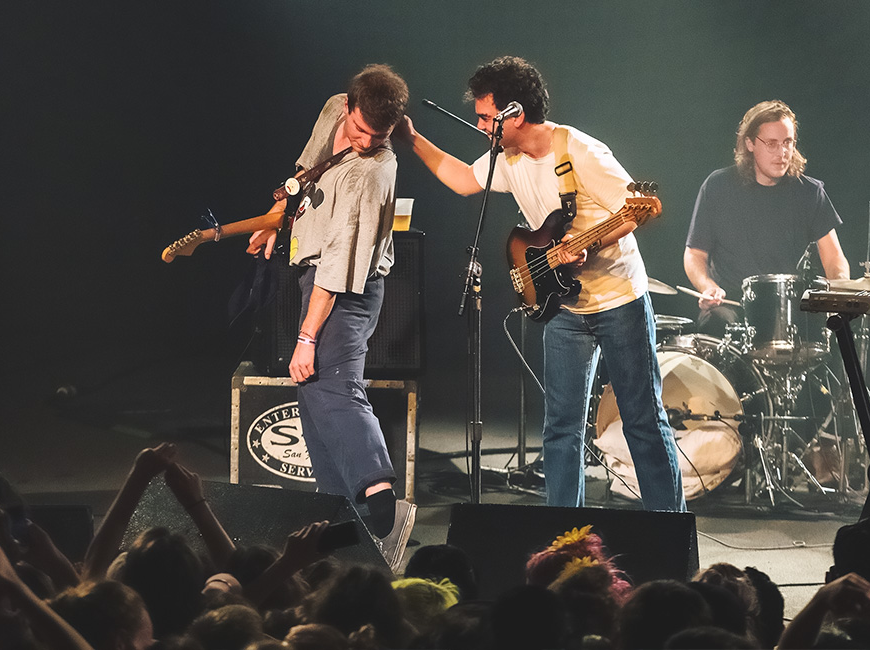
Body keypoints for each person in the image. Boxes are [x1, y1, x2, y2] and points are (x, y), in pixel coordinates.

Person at [401, 55, 685, 510]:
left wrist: (590, 243)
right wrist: (412, 140)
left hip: (619, 302)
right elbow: (460, 179)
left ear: (515, 114)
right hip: (564, 307)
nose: (479, 125)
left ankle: (671, 527)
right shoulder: (507, 158)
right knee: (560, 428)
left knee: (643, 423)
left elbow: (637, 209)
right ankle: (563, 534)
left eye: (485, 116)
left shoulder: (581, 151)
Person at [246, 64, 415, 570]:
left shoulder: (374, 171)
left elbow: (339, 270)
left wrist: (305, 336)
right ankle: (338, 514)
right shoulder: (331, 109)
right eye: (360, 130)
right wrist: (278, 223)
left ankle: (377, 488)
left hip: (346, 289)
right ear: (348, 107)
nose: (365, 142)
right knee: (314, 394)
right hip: (311, 273)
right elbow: (304, 175)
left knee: (335, 384)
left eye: (379, 136)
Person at [684, 99, 851, 336]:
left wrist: (838, 289)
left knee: (832, 335)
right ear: (750, 143)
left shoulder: (810, 192)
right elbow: (694, 254)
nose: (782, 153)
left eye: (788, 143)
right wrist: (708, 286)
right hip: (732, 307)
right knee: (715, 325)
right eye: (772, 144)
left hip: (792, 311)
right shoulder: (717, 186)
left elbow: (834, 258)